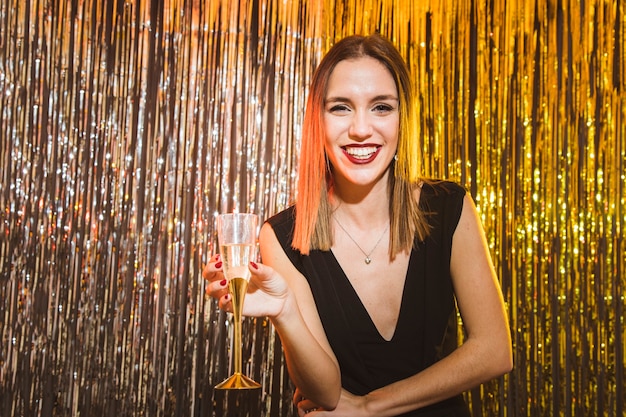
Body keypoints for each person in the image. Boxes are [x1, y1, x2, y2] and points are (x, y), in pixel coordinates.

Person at [204, 33, 513, 416]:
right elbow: (325, 392)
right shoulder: (281, 237)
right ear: (318, 118)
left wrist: (369, 408)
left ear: (402, 117)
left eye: (381, 107)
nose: (361, 129)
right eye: (341, 108)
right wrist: (284, 313)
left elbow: (494, 351)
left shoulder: (450, 207)